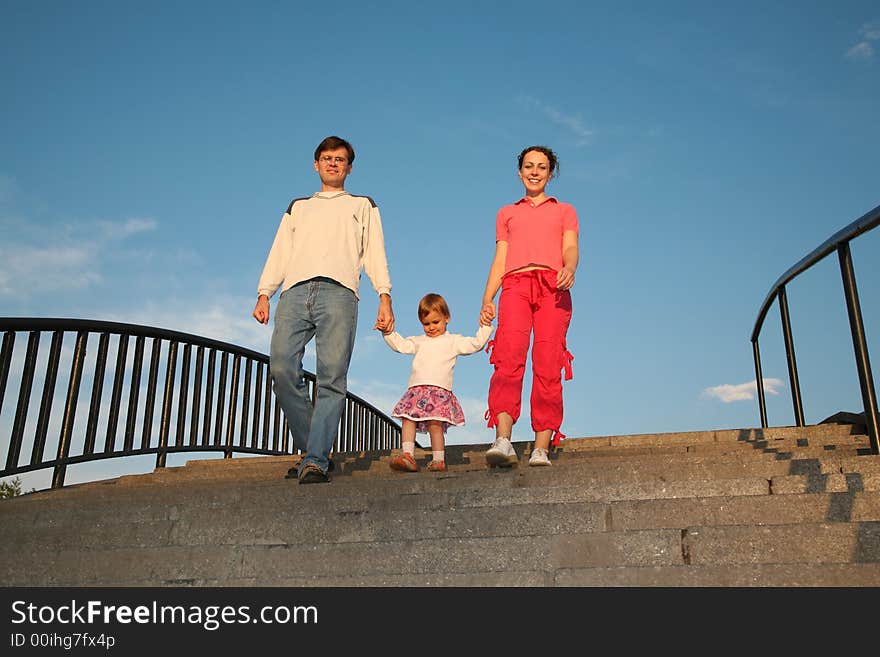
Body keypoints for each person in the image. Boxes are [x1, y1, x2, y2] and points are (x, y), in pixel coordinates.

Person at [253, 135, 395, 484]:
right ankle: (313, 450)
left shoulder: (362, 204)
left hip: (340, 293)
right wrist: (264, 293)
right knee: (282, 368)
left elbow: (374, 251)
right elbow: (280, 251)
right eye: (327, 158)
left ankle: (315, 458)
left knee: (332, 377)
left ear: (349, 167)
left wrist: (384, 294)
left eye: (340, 159)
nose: (333, 163)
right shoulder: (299, 206)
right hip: (295, 292)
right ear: (316, 164)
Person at [479, 145, 579, 468]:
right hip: (516, 286)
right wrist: (487, 297)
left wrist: (570, 268)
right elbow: (500, 258)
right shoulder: (507, 213)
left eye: (542, 166)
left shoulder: (564, 211)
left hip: (553, 287)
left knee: (548, 362)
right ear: (520, 172)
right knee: (508, 357)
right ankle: (503, 440)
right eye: (529, 166)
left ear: (551, 173)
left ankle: (541, 447)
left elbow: (571, 247)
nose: (535, 171)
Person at [379, 293, 493, 473]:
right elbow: (401, 345)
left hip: (439, 390)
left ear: (446, 318)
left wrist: (485, 327)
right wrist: (388, 333)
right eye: (426, 324)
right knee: (407, 418)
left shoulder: (453, 340)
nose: (431, 327)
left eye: (435, 322)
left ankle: (439, 459)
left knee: (435, 424)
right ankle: (408, 455)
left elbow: (475, 344)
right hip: (417, 389)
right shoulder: (419, 341)